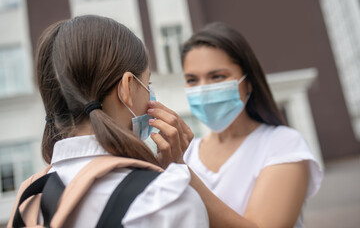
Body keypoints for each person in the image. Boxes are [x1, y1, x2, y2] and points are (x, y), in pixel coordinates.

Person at [8, 15, 208, 228]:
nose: (150, 93)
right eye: (147, 82)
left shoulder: (28, 199)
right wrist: (177, 173)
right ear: (127, 86)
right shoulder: (167, 200)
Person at [180, 22, 323, 228]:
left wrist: (183, 173)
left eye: (217, 76)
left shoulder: (283, 144)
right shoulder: (187, 152)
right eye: (192, 80)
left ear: (248, 82)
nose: (203, 89)